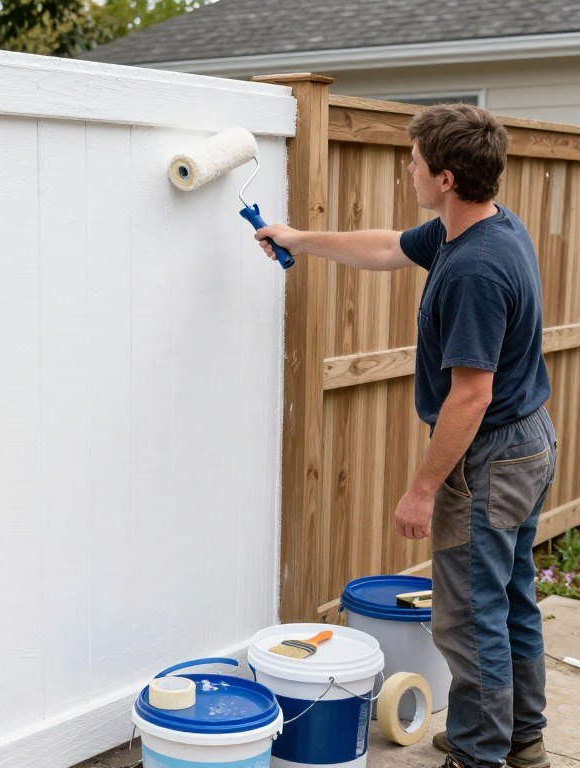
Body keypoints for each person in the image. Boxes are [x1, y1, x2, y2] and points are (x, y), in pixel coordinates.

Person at [255, 103, 557, 768]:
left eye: (416, 159)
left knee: (468, 615)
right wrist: (299, 238)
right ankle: (522, 737)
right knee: (509, 597)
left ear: (445, 177)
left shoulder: (477, 268)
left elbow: (470, 395)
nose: (408, 166)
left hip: (494, 455)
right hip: (530, 439)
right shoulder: (482, 228)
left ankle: (479, 754)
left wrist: (423, 489)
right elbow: (390, 246)